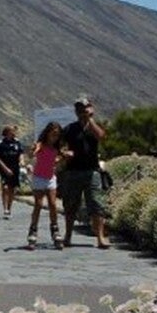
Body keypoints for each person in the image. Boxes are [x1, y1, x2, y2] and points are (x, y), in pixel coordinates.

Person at [60, 97, 110, 248]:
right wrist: (64, 153)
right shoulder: (70, 128)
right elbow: (59, 146)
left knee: (96, 204)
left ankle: (100, 238)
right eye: (79, 109)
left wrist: (90, 120)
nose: (82, 112)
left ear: (91, 109)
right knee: (70, 205)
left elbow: (101, 137)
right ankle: (67, 236)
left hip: (92, 171)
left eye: (85, 108)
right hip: (73, 171)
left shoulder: (94, 127)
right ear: (76, 112)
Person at [27, 121, 64, 249]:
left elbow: (58, 160)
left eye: (57, 135)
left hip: (50, 178)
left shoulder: (57, 148)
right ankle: (33, 230)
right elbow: (34, 151)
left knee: (53, 204)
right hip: (38, 178)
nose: (55, 137)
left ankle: (55, 230)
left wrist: (60, 160)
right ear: (47, 133)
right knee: (38, 204)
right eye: (53, 134)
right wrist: (32, 151)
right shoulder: (41, 144)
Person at [0, 124, 24, 219]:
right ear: (7, 132)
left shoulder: (17, 142)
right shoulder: (1, 143)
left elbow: (21, 153)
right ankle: (5, 208)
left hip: (15, 168)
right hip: (4, 168)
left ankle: (9, 208)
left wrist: (22, 160)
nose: (14, 133)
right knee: (5, 188)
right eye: (12, 131)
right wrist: (5, 168)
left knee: (12, 189)